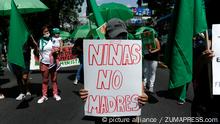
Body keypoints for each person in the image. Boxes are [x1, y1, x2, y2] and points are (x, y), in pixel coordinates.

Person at [79, 18, 148, 123]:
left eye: (123, 35)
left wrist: (143, 96)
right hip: (104, 115)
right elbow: (89, 88)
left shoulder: (134, 57)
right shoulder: (96, 59)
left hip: (129, 115)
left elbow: (140, 85)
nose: (120, 39)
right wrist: (85, 94)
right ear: (107, 36)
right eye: (116, 36)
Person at [37, 26, 61, 104]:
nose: (47, 32)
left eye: (48, 31)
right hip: (44, 63)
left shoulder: (53, 39)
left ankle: (55, 94)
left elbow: (59, 49)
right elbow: (39, 53)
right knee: (45, 80)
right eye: (45, 31)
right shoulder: (40, 41)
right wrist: (39, 63)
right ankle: (44, 95)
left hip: (53, 63)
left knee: (54, 79)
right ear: (42, 33)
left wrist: (57, 51)